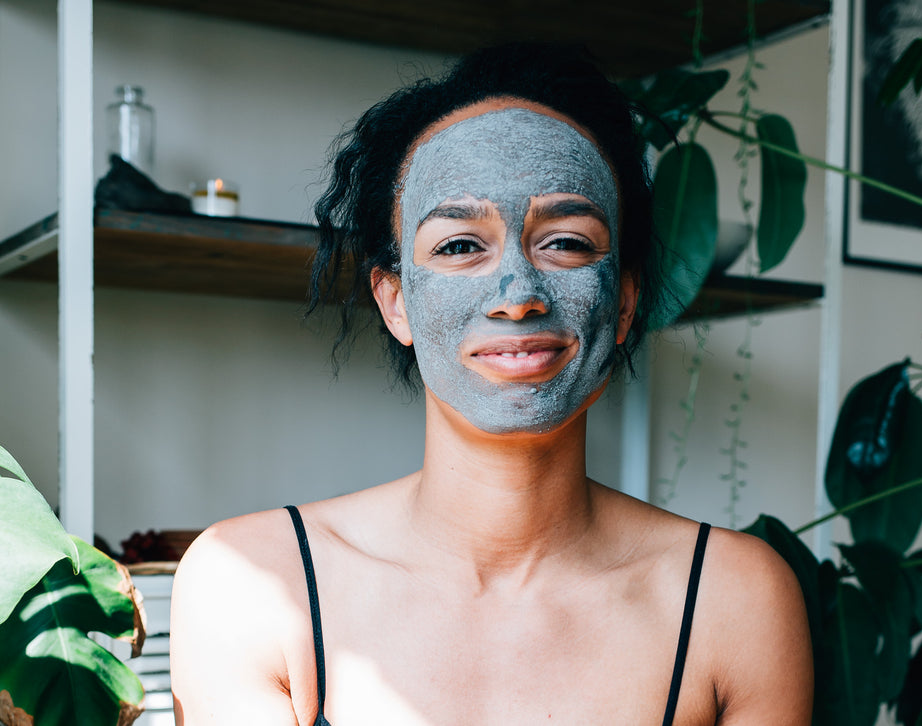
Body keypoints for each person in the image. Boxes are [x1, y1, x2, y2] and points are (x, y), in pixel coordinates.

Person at [169, 43, 813, 725]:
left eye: (566, 241)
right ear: (397, 302)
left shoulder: (734, 596)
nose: (518, 296)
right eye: (459, 245)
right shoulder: (249, 582)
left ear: (624, 301)